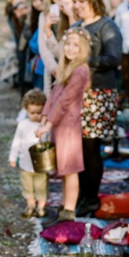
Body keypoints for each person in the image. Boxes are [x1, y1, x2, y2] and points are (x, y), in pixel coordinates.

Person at [65, 0, 123, 217]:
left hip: (98, 94)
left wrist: (84, 62)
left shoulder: (107, 26)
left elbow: (113, 59)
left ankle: (90, 199)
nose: (77, 5)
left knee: (90, 149)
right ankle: (80, 196)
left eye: (81, 1)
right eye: (75, 1)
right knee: (77, 148)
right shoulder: (77, 25)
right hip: (77, 94)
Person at [37, 28, 92, 226]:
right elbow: (54, 95)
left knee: (70, 169)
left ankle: (69, 211)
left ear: (83, 49)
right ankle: (64, 205)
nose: (70, 48)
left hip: (68, 127)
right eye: (68, 44)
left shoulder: (80, 70)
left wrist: (48, 123)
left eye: (75, 45)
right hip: (58, 125)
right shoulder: (66, 67)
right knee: (63, 168)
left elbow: (65, 101)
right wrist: (44, 118)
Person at [9, 88, 48, 218]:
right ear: (26, 109)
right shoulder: (23, 124)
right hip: (26, 163)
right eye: (32, 112)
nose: (36, 115)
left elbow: (49, 143)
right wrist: (13, 157)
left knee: (41, 186)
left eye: (39, 112)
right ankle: (30, 206)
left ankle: (41, 208)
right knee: (28, 187)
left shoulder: (44, 126)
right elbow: (17, 141)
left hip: (41, 165)